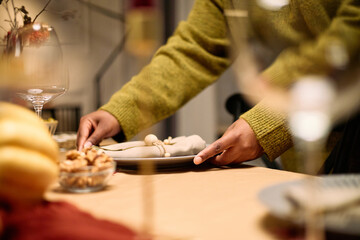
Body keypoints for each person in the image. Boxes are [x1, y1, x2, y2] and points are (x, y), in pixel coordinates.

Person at [77, 0, 360, 167]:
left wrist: (266, 121)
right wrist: (119, 110)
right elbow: (196, 48)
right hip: (304, 157)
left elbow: (352, 34)